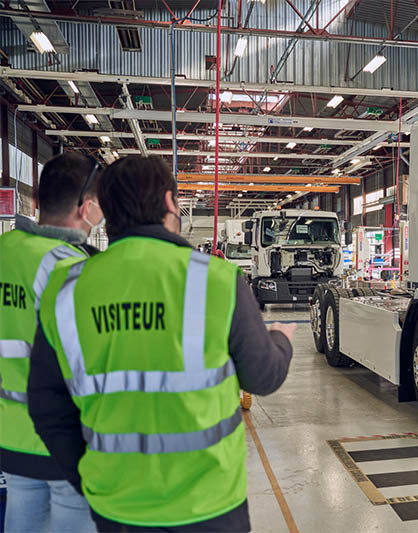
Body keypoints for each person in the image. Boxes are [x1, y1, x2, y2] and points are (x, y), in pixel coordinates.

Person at [28, 155, 295, 532]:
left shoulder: (66, 288)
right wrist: (280, 340)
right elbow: (263, 376)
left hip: (116, 505)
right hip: (210, 504)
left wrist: (91, 480)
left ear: (104, 213)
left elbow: (46, 406)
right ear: (170, 203)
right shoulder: (216, 280)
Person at [0, 152, 103, 533]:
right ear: (88, 208)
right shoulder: (72, 266)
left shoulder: (5, 250)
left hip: (10, 437)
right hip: (64, 438)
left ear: (39, 202)